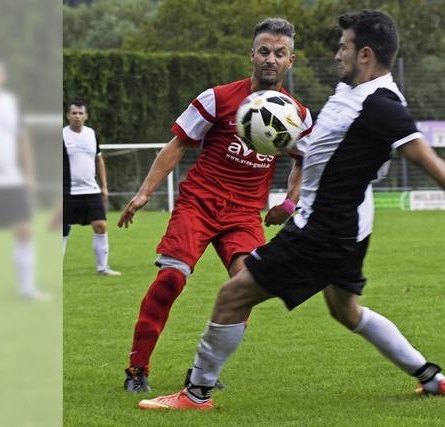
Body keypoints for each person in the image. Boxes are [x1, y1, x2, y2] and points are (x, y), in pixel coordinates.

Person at [137, 10, 445, 411]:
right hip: (345, 228)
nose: (337, 54)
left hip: (323, 229)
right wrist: (283, 144)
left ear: (366, 54)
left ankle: (196, 394)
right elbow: (324, 149)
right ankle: (431, 377)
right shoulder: (349, 90)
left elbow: (430, 161)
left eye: (344, 47)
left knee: (232, 297)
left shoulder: (382, 104)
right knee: (346, 310)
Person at [118, 17, 312, 392]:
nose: (271, 59)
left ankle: (201, 373)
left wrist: (288, 205)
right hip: (199, 203)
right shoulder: (218, 98)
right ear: (251, 55)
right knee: (171, 279)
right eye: (264, 51)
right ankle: (137, 369)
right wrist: (144, 193)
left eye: (280, 53)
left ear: (291, 60)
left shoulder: (297, 115)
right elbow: (176, 145)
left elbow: (305, 161)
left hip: (244, 214)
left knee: (246, 288)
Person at [0, 58, 48, 300]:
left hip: (10, 180)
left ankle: (27, 289)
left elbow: (22, 139)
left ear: (3, 77)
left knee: (24, 230)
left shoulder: (11, 104)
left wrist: (28, 175)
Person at [63, 100, 121, 276]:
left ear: (86, 116)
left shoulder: (91, 134)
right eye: (74, 113)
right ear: (68, 116)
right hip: (66, 191)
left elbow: (98, 159)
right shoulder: (61, 135)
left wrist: (104, 186)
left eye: (81, 113)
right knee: (62, 229)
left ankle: (103, 268)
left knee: (101, 225)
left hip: (91, 190)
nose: (77, 117)